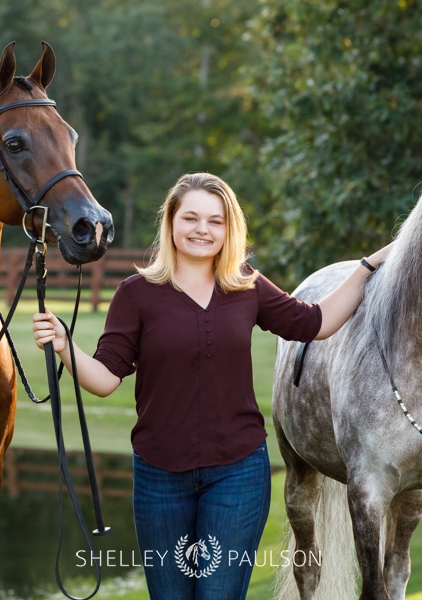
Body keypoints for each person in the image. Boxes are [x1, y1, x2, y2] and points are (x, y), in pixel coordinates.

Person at [32, 172, 391, 599]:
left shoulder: (247, 286)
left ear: (229, 228)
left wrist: (368, 265)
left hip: (237, 475)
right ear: (171, 223)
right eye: (191, 218)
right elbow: (106, 379)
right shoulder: (136, 294)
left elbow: (315, 322)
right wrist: (64, 345)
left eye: (215, 221)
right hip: (159, 478)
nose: (202, 230)